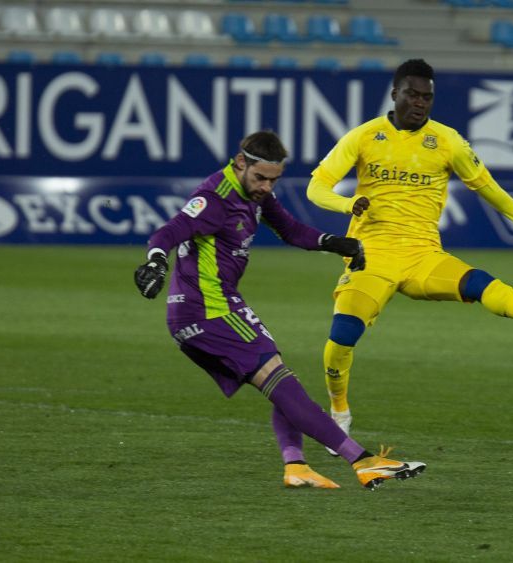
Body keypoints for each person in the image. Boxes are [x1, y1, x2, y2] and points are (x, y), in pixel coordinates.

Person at [306, 59, 513, 454]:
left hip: (423, 256)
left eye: (427, 97)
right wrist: (348, 204)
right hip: (372, 256)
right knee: (341, 338)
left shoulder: (448, 141)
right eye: (413, 95)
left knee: (477, 282)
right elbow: (316, 189)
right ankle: (339, 414)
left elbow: (489, 189)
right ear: (395, 94)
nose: (420, 103)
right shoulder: (365, 136)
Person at [133, 130, 425, 490]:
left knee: (281, 383)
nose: (267, 187)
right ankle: (363, 461)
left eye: (274, 179)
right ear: (240, 164)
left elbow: (289, 229)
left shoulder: (254, 192)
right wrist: (156, 261)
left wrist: (334, 243)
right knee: (281, 381)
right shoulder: (215, 198)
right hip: (209, 310)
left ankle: (297, 466)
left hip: (208, 310)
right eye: (260, 178)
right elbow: (169, 231)